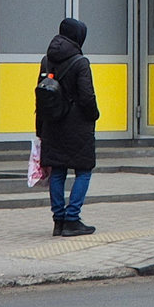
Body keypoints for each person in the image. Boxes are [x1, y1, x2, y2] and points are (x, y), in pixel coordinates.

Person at [37, 17, 99, 237]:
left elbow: (41, 96)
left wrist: (40, 129)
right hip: (77, 126)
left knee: (57, 172)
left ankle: (58, 221)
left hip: (52, 124)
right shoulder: (80, 62)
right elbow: (87, 96)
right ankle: (72, 219)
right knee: (83, 171)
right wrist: (94, 116)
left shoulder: (46, 60)